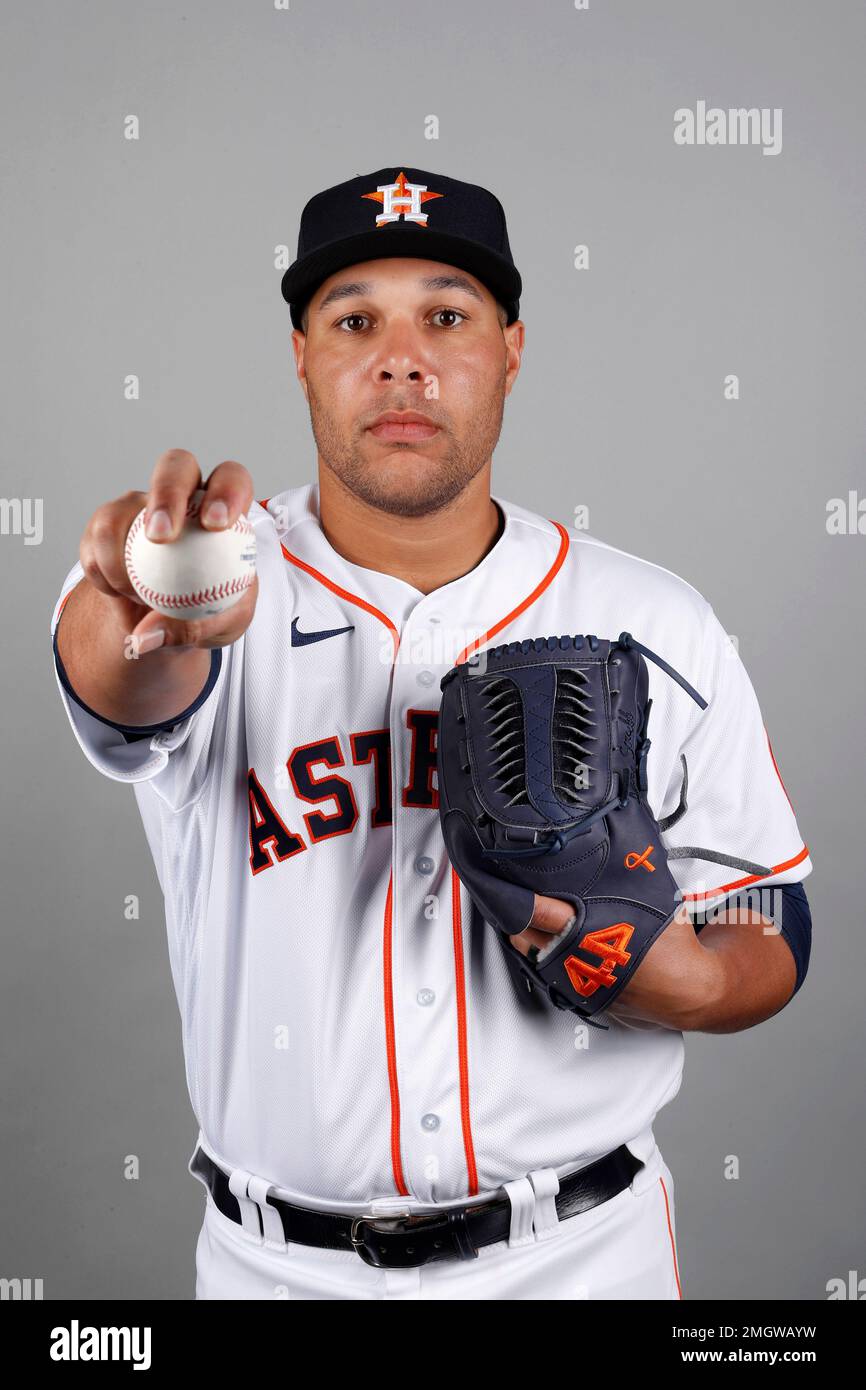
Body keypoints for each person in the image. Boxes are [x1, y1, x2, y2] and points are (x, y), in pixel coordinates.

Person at [50, 167, 812, 1300]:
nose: (400, 357)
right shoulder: (215, 584)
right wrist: (143, 609)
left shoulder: (655, 619)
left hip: (581, 1258)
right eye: (354, 319)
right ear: (301, 354)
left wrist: (687, 981)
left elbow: (767, 913)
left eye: (445, 316)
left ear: (510, 347)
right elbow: (122, 675)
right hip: (276, 1271)